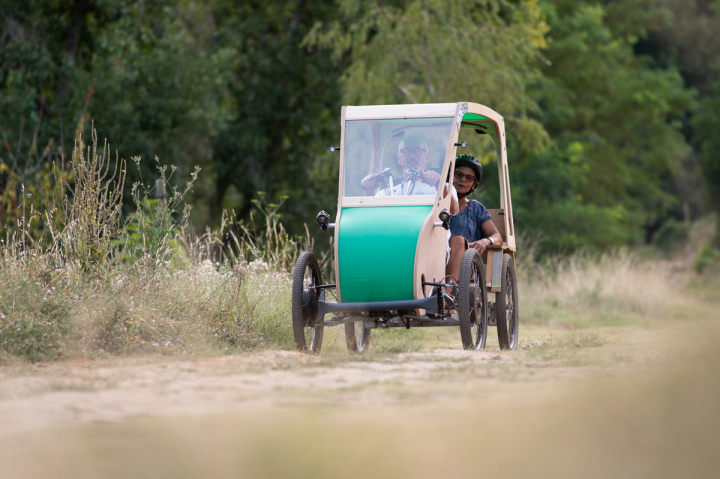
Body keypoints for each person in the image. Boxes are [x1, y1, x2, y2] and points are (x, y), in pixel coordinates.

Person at [446, 154, 502, 289]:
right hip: (436, 257)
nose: (462, 180)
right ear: (450, 176)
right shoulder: (436, 203)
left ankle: (446, 294)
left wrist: (485, 241)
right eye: (458, 174)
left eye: (469, 178)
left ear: (474, 184)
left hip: (465, 265)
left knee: (458, 240)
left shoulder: (475, 208)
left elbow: (497, 237)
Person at [361, 134, 441, 196]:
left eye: (418, 151)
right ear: (399, 158)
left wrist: (439, 185)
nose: (412, 156)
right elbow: (369, 213)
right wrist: (369, 190)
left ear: (427, 157)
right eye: (406, 151)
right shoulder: (389, 193)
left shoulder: (440, 189)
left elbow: (452, 210)